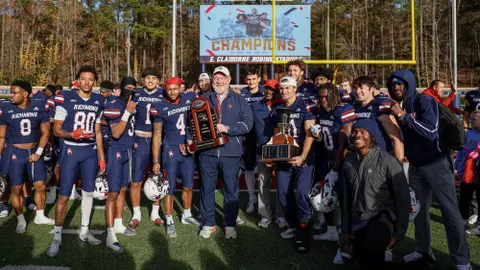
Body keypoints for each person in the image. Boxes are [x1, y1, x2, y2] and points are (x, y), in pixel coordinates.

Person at [388, 69, 471, 270]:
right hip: (416, 166)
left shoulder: (425, 101)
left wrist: (404, 117)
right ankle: (422, 249)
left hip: (437, 164)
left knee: (450, 212)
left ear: (409, 83)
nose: (397, 87)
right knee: (419, 211)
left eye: (401, 83)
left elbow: (431, 132)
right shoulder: (401, 105)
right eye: (393, 84)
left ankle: (462, 261)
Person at [47, 66, 106, 257]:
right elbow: (56, 130)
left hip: (90, 151)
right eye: (83, 79)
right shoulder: (67, 98)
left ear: (94, 81)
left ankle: (84, 230)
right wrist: (72, 133)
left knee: (88, 193)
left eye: (90, 79)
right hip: (71, 150)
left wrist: (102, 157)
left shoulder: (98, 100)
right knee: (64, 195)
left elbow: (97, 131)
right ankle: (57, 236)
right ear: (77, 80)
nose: (87, 82)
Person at [341, 119, 410, 270]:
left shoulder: (388, 161)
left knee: (370, 257)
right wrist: (345, 230)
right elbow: (345, 198)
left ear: (373, 136)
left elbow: (403, 198)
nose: (357, 135)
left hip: (381, 216)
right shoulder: (349, 160)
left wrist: (399, 232)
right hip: (359, 218)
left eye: (363, 132)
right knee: (358, 259)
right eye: (355, 131)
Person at [197, 66, 253, 239]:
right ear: (212, 80)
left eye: (223, 78)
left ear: (229, 80)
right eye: (216, 78)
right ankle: (208, 223)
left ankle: (229, 224)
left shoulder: (239, 99)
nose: (219, 81)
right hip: (207, 152)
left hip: (231, 153)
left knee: (230, 190)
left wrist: (228, 129)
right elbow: (193, 123)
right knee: (206, 189)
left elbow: (248, 124)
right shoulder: (203, 99)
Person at [267, 76, 316, 253]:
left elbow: (310, 133)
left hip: (303, 158)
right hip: (284, 159)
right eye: (282, 89)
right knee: (282, 194)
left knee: (302, 194)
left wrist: (303, 156)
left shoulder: (305, 105)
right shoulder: (277, 109)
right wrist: (272, 157)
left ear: (295, 88)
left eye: (288, 88)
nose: (284, 91)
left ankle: (303, 231)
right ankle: (294, 224)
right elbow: (275, 136)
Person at [0, 80, 54, 233]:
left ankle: (40, 215)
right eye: (11, 92)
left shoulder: (39, 107)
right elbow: (2, 137)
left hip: (34, 152)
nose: (11, 95)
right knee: (16, 189)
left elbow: (45, 133)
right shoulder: (6, 108)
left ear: (25, 94)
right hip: (16, 153)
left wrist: (38, 153)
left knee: (41, 186)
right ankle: (21, 219)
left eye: (14, 92)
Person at [151, 77, 199, 238]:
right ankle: (170, 219)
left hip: (187, 149)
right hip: (170, 149)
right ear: (165, 89)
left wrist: (191, 141)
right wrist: (156, 160)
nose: (172, 92)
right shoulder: (160, 106)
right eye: (169, 89)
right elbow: (157, 135)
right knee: (169, 188)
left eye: (175, 89)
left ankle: (186, 214)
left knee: (188, 185)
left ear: (181, 89)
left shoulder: (189, 99)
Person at [310, 83, 355, 242]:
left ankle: (346, 230)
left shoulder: (344, 109)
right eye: (320, 96)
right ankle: (330, 230)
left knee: (344, 196)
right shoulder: (321, 111)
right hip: (326, 157)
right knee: (326, 194)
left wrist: (338, 162)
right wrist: (318, 137)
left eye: (325, 96)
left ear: (335, 95)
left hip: (343, 158)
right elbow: (324, 138)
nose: (322, 99)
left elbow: (347, 139)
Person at [103, 76, 137, 252]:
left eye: (133, 87)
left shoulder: (132, 103)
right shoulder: (114, 104)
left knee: (124, 188)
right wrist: (127, 113)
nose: (131, 91)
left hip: (128, 151)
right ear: (121, 88)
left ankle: (118, 223)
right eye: (128, 87)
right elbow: (116, 133)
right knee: (113, 193)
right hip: (116, 151)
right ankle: (110, 235)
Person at [130, 68, 164, 227]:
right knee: (136, 179)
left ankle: (155, 213)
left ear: (158, 80)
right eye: (148, 78)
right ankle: (136, 213)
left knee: (157, 177)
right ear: (143, 80)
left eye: (154, 78)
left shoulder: (164, 93)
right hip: (140, 139)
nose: (150, 81)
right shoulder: (134, 93)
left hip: (158, 142)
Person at [250, 79, 284, 228]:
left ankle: (281, 215)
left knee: (282, 185)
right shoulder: (256, 105)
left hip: (281, 150)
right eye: (267, 89)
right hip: (262, 149)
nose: (269, 91)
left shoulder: (282, 106)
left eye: (272, 89)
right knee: (263, 183)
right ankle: (265, 215)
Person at [352, 75, 404, 162]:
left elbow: (397, 138)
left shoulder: (379, 106)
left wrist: (399, 166)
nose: (357, 91)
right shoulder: (355, 106)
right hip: (361, 158)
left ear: (371, 89)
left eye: (361, 88)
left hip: (379, 159)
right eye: (355, 88)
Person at [240, 70, 264, 214]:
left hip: (262, 136)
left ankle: (262, 200)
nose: (251, 82)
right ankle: (251, 197)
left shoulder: (265, 92)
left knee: (262, 170)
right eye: (248, 79)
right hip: (247, 136)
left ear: (259, 79)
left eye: (254, 79)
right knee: (248, 167)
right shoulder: (241, 93)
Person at [456, 110, 480, 235]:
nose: (471, 121)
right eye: (470, 118)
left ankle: (478, 225)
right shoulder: (468, 134)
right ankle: (463, 220)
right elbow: (461, 152)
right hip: (467, 174)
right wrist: (458, 168)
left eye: (474, 119)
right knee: (465, 198)